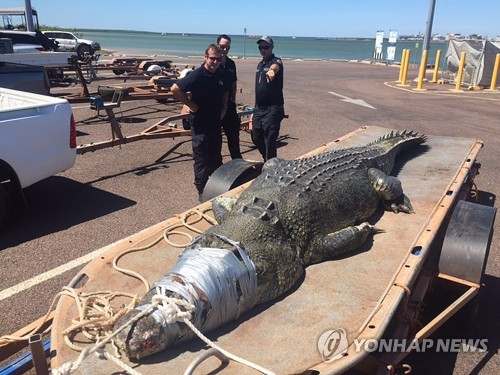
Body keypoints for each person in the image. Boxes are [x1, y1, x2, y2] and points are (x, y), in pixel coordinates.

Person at [171, 44, 229, 198]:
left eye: (218, 59)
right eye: (212, 59)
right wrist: (191, 105)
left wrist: (224, 107)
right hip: (200, 124)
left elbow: (226, 90)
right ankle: (201, 190)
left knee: (216, 156)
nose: (215, 62)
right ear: (205, 57)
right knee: (201, 159)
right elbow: (175, 89)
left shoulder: (220, 73)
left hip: (215, 123)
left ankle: (218, 186)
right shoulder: (197, 75)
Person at [251, 36, 285, 161]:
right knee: (256, 137)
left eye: (266, 47)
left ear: (272, 47)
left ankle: (271, 165)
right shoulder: (260, 65)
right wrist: (254, 111)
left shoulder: (276, 61)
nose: (263, 50)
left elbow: (276, 66)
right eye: (260, 47)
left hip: (273, 109)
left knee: (269, 140)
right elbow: (257, 89)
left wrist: (272, 71)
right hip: (259, 109)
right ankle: (268, 160)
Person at [217, 34, 242, 159]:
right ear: (217, 46)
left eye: (227, 47)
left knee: (233, 135)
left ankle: (237, 161)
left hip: (229, 106)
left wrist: (233, 99)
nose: (225, 50)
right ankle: (216, 165)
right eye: (222, 47)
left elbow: (234, 82)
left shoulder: (231, 64)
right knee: (216, 139)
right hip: (216, 106)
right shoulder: (212, 63)